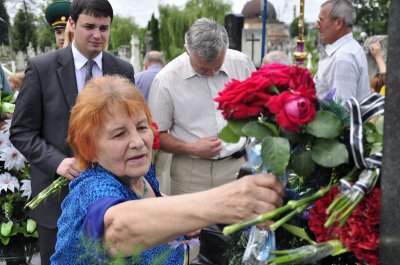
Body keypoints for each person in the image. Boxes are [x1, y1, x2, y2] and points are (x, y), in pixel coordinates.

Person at [50, 75, 284, 264]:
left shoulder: (140, 172)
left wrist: (180, 222)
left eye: (142, 127)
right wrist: (225, 204)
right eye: (119, 134)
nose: (137, 142)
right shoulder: (91, 187)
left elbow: (151, 201)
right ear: (89, 149)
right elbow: (117, 231)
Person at [10, 0, 135, 264]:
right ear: (72, 25)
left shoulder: (124, 71)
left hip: (111, 200)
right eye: (89, 26)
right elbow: (21, 131)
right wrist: (58, 162)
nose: (97, 35)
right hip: (56, 202)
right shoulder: (42, 68)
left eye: (104, 28)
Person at [148, 18, 256, 196]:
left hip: (236, 167)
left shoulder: (242, 64)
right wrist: (191, 148)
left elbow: (258, 109)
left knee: (239, 222)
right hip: (190, 173)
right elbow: (157, 134)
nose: (211, 73)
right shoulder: (166, 79)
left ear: (225, 48)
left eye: (217, 66)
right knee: (187, 224)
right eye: (203, 68)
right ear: (186, 50)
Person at [314, 0, 370, 102]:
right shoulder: (347, 49)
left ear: (338, 23)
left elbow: (341, 111)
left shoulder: (344, 57)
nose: (317, 26)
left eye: (320, 21)